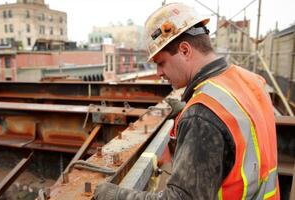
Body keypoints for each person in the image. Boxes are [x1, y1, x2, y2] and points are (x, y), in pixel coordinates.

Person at [94, 2, 279, 200]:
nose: (158, 73)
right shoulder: (251, 80)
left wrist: (117, 196)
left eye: (161, 62)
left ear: (184, 50)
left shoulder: (202, 115)